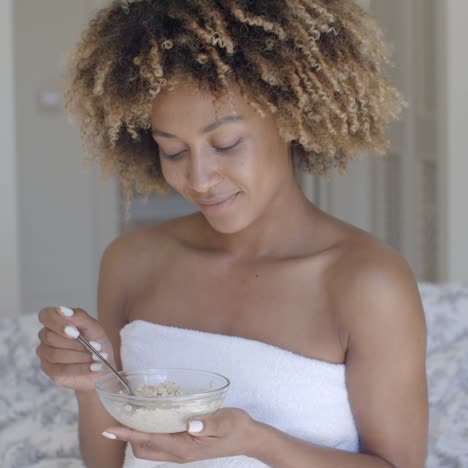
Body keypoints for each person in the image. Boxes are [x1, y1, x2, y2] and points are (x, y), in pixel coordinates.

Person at [36, 0, 428, 467]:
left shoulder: (367, 284)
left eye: (225, 144)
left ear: (290, 119)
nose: (199, 179)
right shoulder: (131, 261)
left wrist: (260, 442)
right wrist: (91, 381)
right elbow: (109, 461)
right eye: (173, 151)